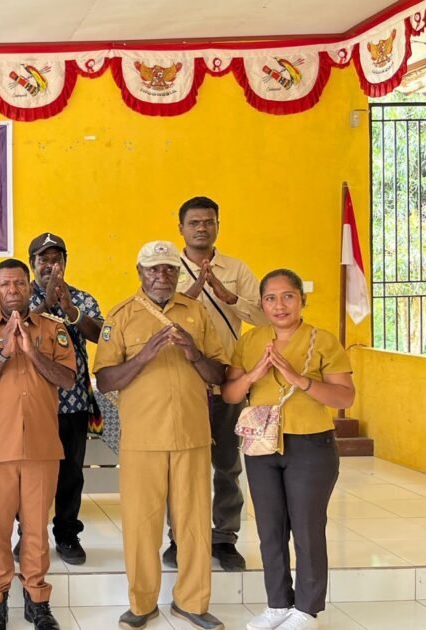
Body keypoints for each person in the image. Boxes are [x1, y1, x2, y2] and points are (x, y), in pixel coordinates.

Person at [93, 241, 228, 630]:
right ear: (140, 272)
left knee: (195, 525)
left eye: (169, 268)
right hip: (142, 440)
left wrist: (194, 354)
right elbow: (105, 380)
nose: (161, 276)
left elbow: (220, 374)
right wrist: (144, 356)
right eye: (153, 269)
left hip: (192, 435)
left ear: (178, 273)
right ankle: (142, 603)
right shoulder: (120, 316)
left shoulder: (197, 313)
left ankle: (192, 602)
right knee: (141, 526)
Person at [221, 269, 355, 630]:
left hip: (311, 445)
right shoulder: (251, 341)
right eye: (270, 298)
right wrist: (253, 374)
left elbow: (345, 397)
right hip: (261, 445)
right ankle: (278, 604)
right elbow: (230, 394)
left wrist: (300, 380)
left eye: (288, 296)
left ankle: (307, 609)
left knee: (307, 527)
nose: (279, 305)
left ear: (302, 300)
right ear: (262, 304)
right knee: (269, 527)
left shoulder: (322, 341)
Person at [0, 259, 76, 630]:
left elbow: (67, 380)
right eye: (5, 284)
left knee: (36, 531)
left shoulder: (53, 329)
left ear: (30, 287)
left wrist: (32, 352)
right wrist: (4, 354)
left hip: (42, 447)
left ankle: (37, 601)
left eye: (19, 283)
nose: (12, 290)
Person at [166, 196, 266, 572]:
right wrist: (193, 292)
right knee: (181, 466)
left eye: (208, 222)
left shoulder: (236, 269)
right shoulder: (166, 268)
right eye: (194, 222)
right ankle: (180, 538)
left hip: (225, 383)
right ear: (181, 228)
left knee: (227, 465)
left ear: (218, 226)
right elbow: (157, 314)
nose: (201, 228)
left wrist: (228, 295)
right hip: (181, 383)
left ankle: (224, 538)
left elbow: (262, 315)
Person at [15, 232, 103, 566]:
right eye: (43, 260)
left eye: (57, 259)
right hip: (32, 402)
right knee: (30, 473)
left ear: (65, 263)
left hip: (73, 402)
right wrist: (46, 304)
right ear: (32, 264)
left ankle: (67, 534)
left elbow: (101, 336)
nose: (50, 266)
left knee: (70, 473)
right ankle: (28, 534)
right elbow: (16, 329)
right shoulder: (20, 297)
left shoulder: (82, 298)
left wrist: (70, 309)